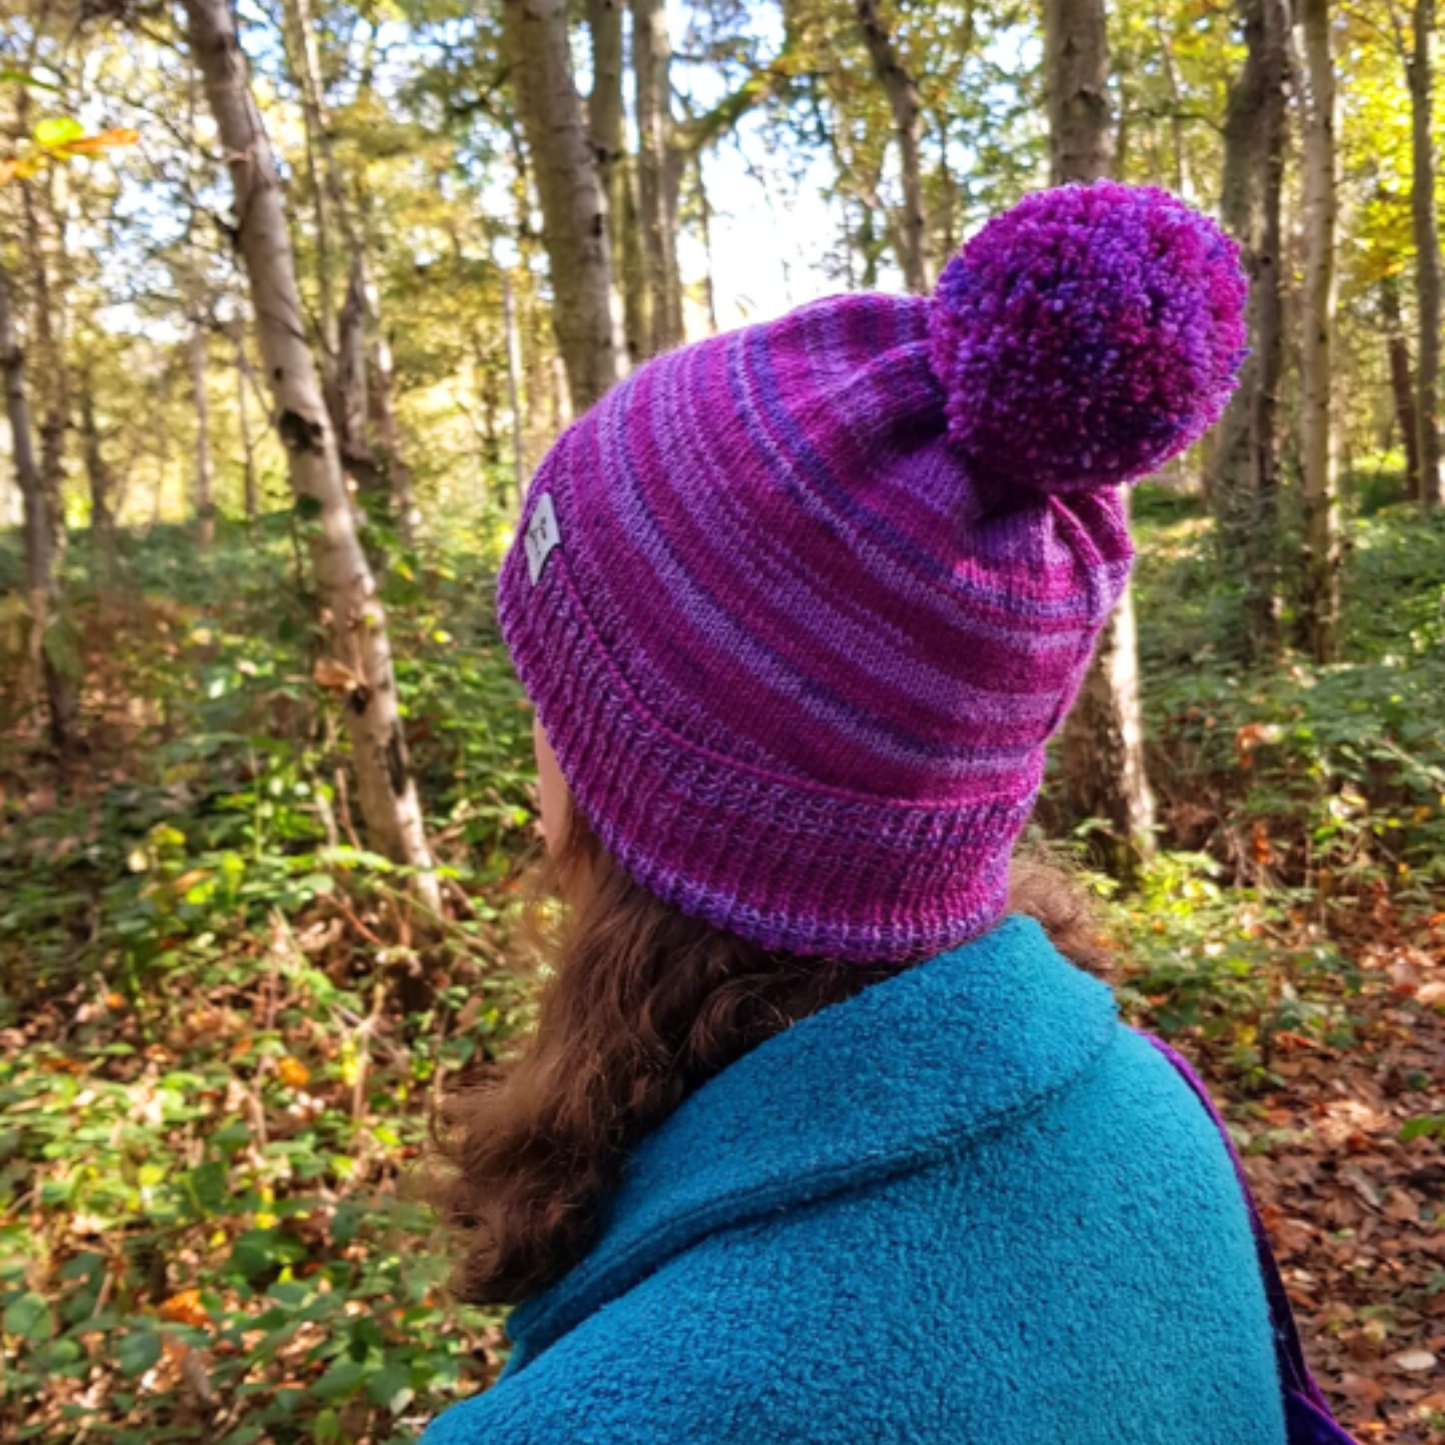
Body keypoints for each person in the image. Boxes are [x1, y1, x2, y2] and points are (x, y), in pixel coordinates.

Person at [422, 181, 1282, 1444]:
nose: (536, 746)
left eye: (553, 695)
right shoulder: (1160, 1123)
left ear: (624, 793)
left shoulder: (617, 1413)